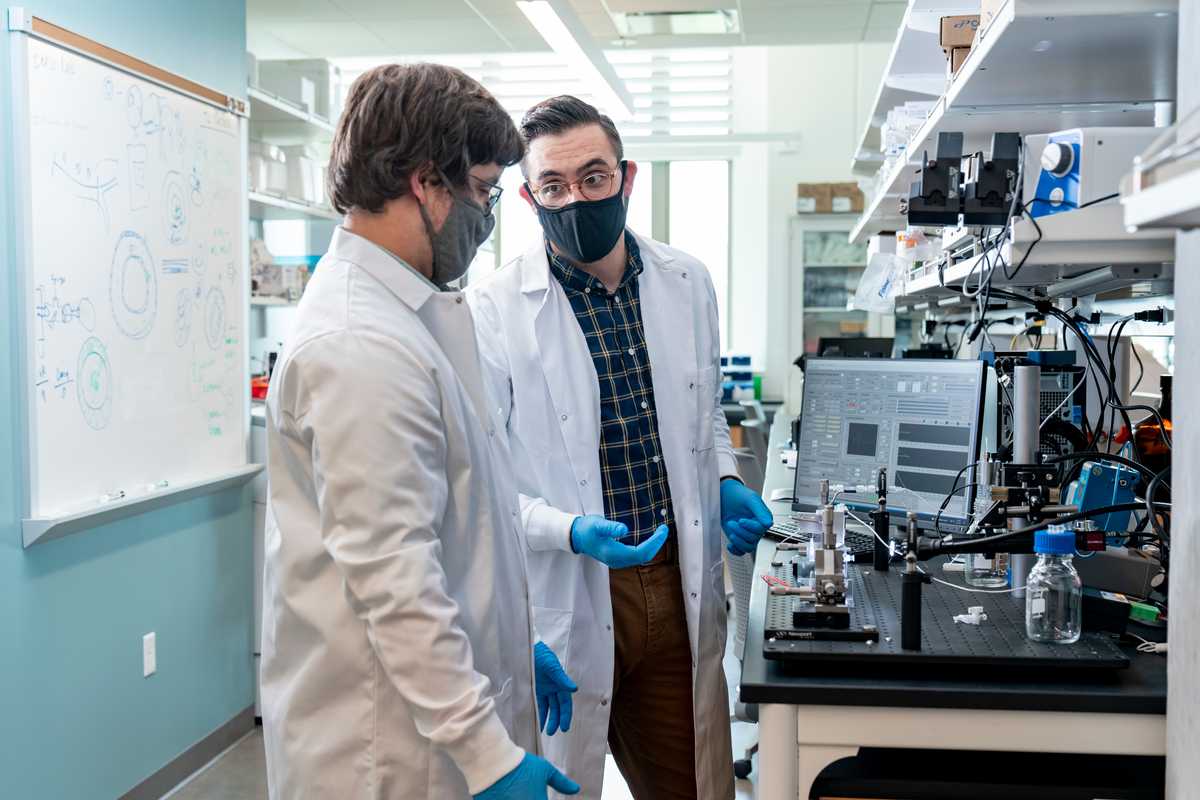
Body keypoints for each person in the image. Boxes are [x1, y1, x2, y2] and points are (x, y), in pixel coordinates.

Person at [260, 64, 579, 800]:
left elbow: (459, 529)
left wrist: (510, 643)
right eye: (483, 188)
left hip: (426, 717)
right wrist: (490, 756)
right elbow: (395, 579)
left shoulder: (417, 313)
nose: (488, 213)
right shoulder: (360, 343)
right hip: (382, 752)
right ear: (424, 182)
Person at [467, 95, 774, 800]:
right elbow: (481, 485)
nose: (575, 197)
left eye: (594, 177)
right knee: (558, 786)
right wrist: (567, 528)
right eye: (553, 186)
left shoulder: (687, 281)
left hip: (672, 583)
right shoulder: (494, 309)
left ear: (626, 177)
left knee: (691, 787)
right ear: (528, 195)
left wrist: (723, 477)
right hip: (562, 594)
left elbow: (701, 412)